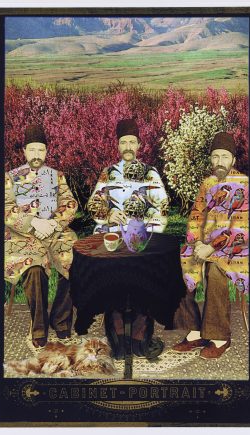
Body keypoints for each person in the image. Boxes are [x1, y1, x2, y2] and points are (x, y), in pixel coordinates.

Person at [87, 118, 169, 358]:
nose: (128, 147)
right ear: (117, 146)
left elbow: (162, 207)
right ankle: (118, 338)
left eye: (132, 142)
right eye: (123, 142)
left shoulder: (150, 172)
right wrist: (109, 212)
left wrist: (147, 227)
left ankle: (140, 338)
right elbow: (93, 205)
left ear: (139, 145)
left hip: (141, 235)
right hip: (111, 233)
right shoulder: (108, 173)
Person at [173, 132, 249, 359]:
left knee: (216, 272)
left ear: (233, 160)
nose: (219, 162)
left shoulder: (244, 184)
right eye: (215, 156)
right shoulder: (207, 183)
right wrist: (196, 242)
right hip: (204, 246)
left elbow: (241, 228)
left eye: (224, 156)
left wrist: (211, 248)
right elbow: (196, 216)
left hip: (235, 249)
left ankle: (219, 337)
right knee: (178, 264)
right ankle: (195, 331)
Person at [5, 124, 78, 348]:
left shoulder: (56, 177)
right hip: (23, 238)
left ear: (46, 152)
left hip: (54, 234)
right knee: (35, 270)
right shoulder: (11, 178)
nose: (37, 155)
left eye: (41, 150)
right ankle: (39, 327)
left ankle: (61, 319)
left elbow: (70, 203)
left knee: (77, 261)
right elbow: (5, 209)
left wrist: (54, 223)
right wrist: (33, 222)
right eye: (32, 150)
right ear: (25, 151)